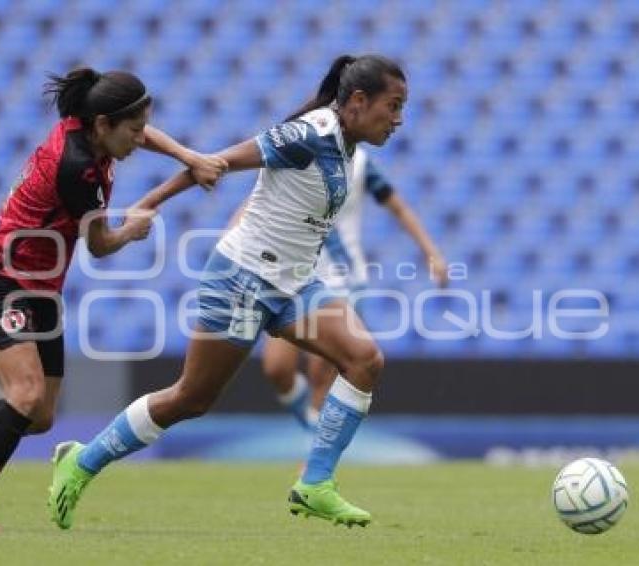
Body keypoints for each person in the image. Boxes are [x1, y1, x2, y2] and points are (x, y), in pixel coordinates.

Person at [48, 54, 407, 529]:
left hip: (294, 281)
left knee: (364, 359)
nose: (398, 119)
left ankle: (315, 485)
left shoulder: (345, 146)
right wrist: (149, 202)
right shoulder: (310, 133)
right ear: (358, 101)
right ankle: (82, 460)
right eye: (394, 105)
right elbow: (214, 164)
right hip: (243, 278)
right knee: (191, 399)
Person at [0, 67, 227, 532]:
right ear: (103, 127)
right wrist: (134, 228)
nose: (138, 140)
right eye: (132, 132)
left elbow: (141, 130)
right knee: (26, 395)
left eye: (140, 128)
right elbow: (100, 244)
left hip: (40, 290)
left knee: (41, 417)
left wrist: (187, 155)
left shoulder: (90, 126)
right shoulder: (78, 168)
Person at [263, 146, 449, 430]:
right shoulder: (295, 153)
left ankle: (315, 455)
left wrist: (430, 251)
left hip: (342, 280)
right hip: (294, 275)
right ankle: (315, 428)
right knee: (276, 368)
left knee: (321, 371)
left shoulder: (359, 162)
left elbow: (397, 206)